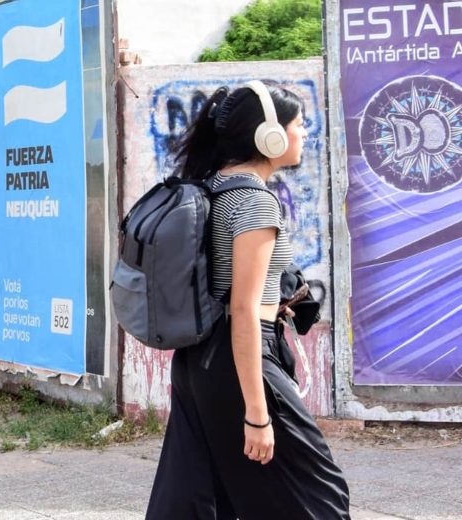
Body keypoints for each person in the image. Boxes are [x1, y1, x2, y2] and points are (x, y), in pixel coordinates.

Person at [145, 81, 350, 519]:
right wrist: (258, 414)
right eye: (298, 124)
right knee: (319, 500)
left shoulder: (212, 186)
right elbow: (242, 312)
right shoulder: (255, 202)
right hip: (239, 361)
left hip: (197, 362)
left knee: (208, 499)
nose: (304, 132)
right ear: (269, 137)